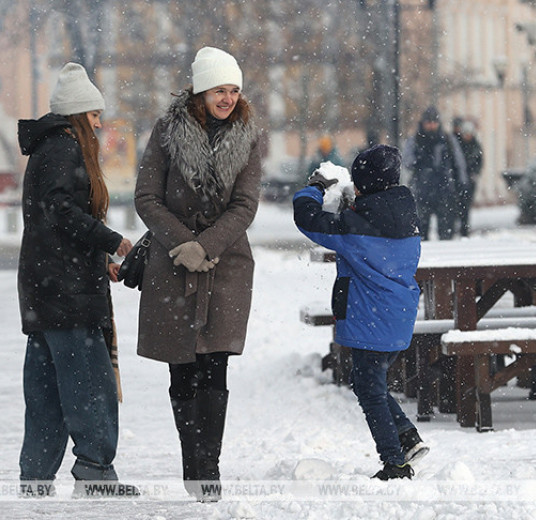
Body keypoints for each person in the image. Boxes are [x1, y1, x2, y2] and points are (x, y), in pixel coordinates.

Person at [134, 46, 262, 502]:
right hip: (172, 268)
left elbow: (245, 204)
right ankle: (192, 460)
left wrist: (205, 245)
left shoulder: (248, 135)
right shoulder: (167, 132)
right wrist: (181, 243)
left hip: (225, 266)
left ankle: (209, 467)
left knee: (215, 366)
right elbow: (147, 197)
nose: (227, 98)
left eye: (233, 89)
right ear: (200, 92)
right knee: (182, 369)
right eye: (218, 90)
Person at [16, 62, 135, 498]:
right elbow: (64, 213)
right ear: (78, 117)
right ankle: (95, 470)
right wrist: (112, 241)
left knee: (46, 391)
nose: (100, 124)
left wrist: (96, 256)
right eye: (94, 115)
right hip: (68, 293)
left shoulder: (46, 149)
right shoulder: (64, 150)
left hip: (45, 289)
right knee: (89, 385)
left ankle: (35, 477)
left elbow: (54, 220)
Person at [293, 144, 428, 480]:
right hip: (398, 317)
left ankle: (395, 463)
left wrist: (318, 186)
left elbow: (306, 217)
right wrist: (353, 207)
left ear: (363, 184)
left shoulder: (355, 228)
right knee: (369, 381)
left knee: (369, 390)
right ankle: (407, 438)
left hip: (371, 319)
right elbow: (371, 225)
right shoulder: (404, 215)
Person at [402, 106, 467, 240]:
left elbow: (459, 163)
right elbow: (407, 162)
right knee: (420, 234)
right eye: (429, 122)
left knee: (446, 233)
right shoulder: (415, 141)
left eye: (434, 122)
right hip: (421, 191)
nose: (431, 126)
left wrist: (461, 184)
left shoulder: (447, 140)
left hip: (444, 191)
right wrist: (419, 160)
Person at [453, 119, 484, 237]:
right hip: (458, 180)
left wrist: (474, 173)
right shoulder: (457, 145)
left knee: (466, 205)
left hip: (470, 180)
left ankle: (464, 229)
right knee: (456, 204)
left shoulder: (476, 146)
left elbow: (479, 162)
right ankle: (457, 227)